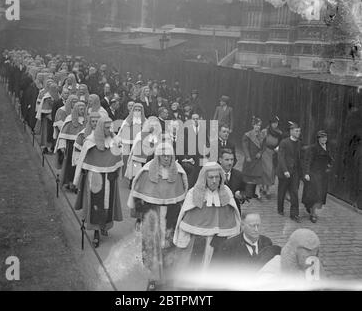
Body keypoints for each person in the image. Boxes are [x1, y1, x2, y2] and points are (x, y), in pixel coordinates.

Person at [127, 142, 188, 291]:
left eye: (169, 156)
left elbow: (182, 196)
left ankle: (165, 278)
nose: (167, 158)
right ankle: (153, 279)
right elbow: (139, 194)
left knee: (168, 245)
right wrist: (142, 213)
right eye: (164, 156)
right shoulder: (147, 171)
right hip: (152, 215)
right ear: (158, 156)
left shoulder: (179, 172)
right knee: (151, 248)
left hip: (170, 216)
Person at [173, 162, 241, 272]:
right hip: (198, 241)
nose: (214, 181)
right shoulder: (194, 193)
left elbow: (235, 217)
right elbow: (183, 219)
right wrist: (182, 241)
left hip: (220, 240)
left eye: (217, 177)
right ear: (204, 178)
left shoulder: (226, 192)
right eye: (210, 177)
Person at [73, 116, 124, 248]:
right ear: (101, 127)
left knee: (108, 203)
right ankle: (96, 231)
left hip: (110, 177)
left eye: (110, 127)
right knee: (96, 204)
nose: (109, 130)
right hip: (95, 179)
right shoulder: (90, 141)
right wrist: (78, 178)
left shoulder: (113, 140)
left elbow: (119, 156)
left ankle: (104, 226)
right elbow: (82, 161)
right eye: (106, 127)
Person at [210, 212, 276, 271]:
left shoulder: (267, 242)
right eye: (252, 226)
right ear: (242, 225)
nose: (256, 230)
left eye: (258, 225)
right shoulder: (228, 246)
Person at [302, 130, 334, 223]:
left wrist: (330, 165)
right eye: (322, 137)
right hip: (314, 174)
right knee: (315, 195)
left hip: (323, 175)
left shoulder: (328, 147)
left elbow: (330, 158)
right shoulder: (313, 148)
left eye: (325, 137)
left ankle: (310, 207)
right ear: (318, 138)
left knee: (321, 195)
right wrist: (307, 173)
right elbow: (308, 161)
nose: (324, 139)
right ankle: (313, 214)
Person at [54, 102, 86, 190]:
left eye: (84, 109)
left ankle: (77, 184)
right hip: (71, 147)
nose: (83, 111)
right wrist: (62, 146)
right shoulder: (69, 119)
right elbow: (63, 134)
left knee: (79, 166)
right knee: (70, 166)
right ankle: (69, 183)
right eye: (81, 109)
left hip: (81, 147)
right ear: (76, 109)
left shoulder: (86, 120)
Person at [277, 122, 303, 223]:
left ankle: (294, 214)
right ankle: (280, 209)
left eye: (299, 131)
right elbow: (281, 157)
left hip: (295, 172)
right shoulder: (284, 142)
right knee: (282, 191)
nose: (298, 133)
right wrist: (285, 170)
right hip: (285, 172)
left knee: (294, 193)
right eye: (296, 131)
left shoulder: (299, 143)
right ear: (291, 131)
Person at [241, 116, 265, 199]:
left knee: (258, 175)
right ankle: (248, 191)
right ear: (253, 125)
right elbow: (245, 147)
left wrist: (260, 153)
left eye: (259, 125)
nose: (258, 127)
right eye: (256, 125)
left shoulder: (262, 135)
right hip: (250, 158)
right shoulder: (247, 135)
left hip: (257, 158)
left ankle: (257, 191)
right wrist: (247, 156)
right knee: (248, 175)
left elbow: (264, 146)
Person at [260, 116, 283, 199]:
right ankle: (266, 189)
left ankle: (266, 187)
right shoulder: (265, 131)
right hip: (266, 151)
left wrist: (278, 147)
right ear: (270, 123)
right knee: (267, 170)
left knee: (272, 171)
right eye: (273, 123)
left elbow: (281, 142)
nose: (275, 125)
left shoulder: (279, 132)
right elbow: (261, 141)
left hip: (274, 153)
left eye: (276, 123)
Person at [218, 149, 246, 213]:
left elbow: (245, 192)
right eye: (227, 160)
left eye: (232, 160)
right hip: (218, 212)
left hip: (234, 212)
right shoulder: (213, 174)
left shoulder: (239, 175)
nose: (230, 163)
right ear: (220, 160)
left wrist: (241, 195)